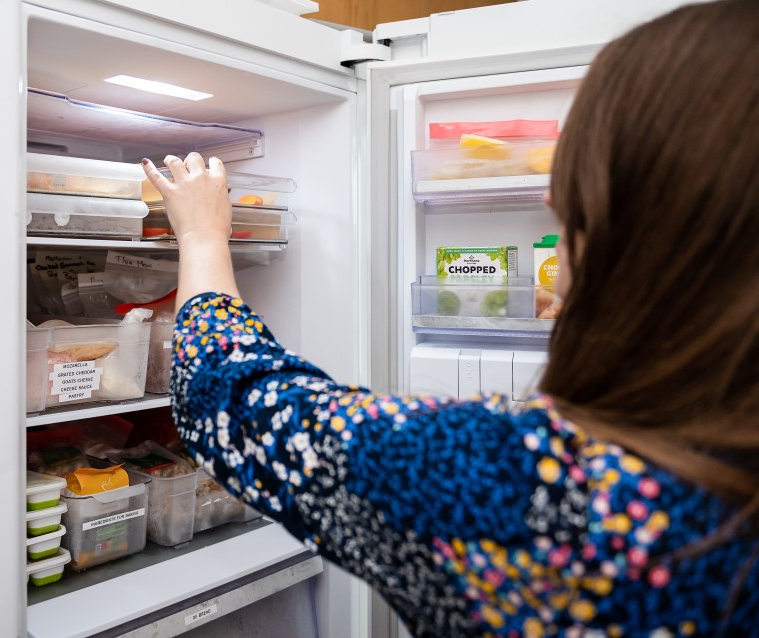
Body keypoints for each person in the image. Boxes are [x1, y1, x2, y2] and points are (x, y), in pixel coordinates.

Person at [141, 1, 759, 635]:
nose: (550, 196)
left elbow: (233, 403)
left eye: (578, 175)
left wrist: (204, 236)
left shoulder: (521, 487)